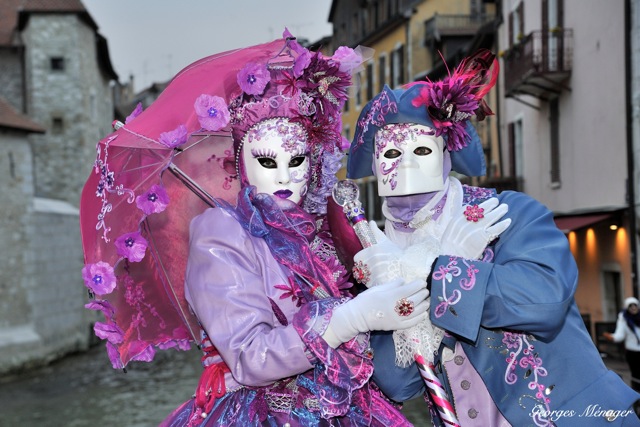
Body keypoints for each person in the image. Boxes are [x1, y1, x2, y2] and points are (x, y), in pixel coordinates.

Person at [345, 50, 640, 426]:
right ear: (373, 165)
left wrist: (434, 271)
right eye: (390, 152)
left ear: (447, 153)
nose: (405, 163)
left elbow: (545, 300)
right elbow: (397, 383)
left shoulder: (508, 214)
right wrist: (391, 301)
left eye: (421, 149)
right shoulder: (379, 255)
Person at [160, 35, 428, 426]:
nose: (285, 176)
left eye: (297, 158)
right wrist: (349, 318)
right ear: (241, 163)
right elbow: (250, 358)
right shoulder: (222, 233)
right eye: (268, 162)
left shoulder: (319, 231)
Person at [604, 297, 640, 393]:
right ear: (627, 307)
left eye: (635, 306)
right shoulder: (624, 319)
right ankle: (637, 397)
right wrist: (612, 337)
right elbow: (620, 335)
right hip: (632, 353)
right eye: (630, 306)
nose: (633, 308)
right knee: (636, 375)